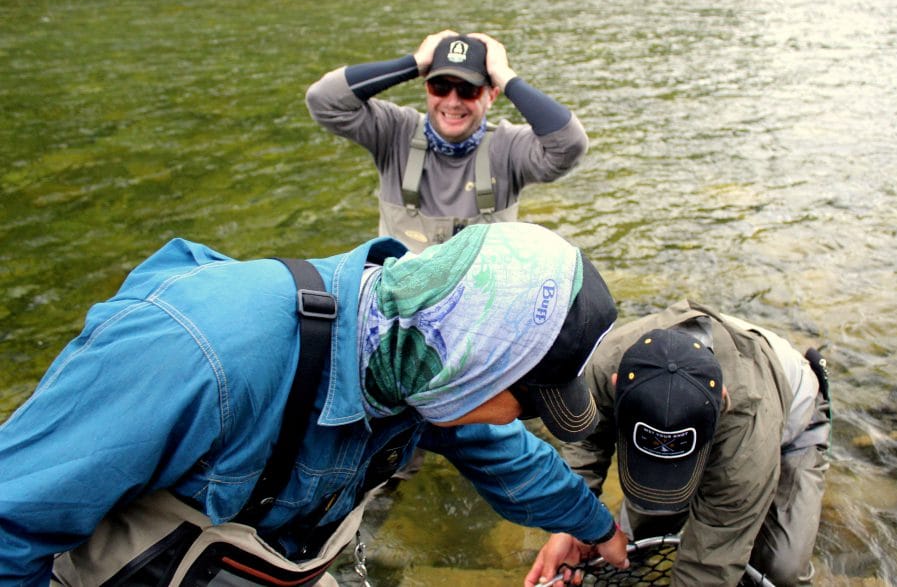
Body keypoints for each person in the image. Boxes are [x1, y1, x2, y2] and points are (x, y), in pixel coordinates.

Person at [0, 222, 631, 586]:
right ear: (478, 363)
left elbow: (509, 462)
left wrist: (594, 528)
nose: (519, 421)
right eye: (526, 403)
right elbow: (11, 523)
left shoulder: (417, 354)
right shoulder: (199, 356)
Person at [526, 300, 831, 587]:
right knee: (643, 524)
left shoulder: (747, 437)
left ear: (722, 401)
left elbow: (709, 565)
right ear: (617, 385)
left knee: (780, 569)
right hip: (721, 410)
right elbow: (587, 440)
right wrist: (575, 524)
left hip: (791, 426)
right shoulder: (604, 366)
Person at [305, 29, 588, 253]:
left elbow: (570, 144)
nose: (452, 102)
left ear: (491, 96)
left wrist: (504, 74)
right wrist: (414, 63)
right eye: (440, 86)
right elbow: (323, 100)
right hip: (402, 305)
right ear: (426, 88)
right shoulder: (393, 131)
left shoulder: (509, 147)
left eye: (468, 90)